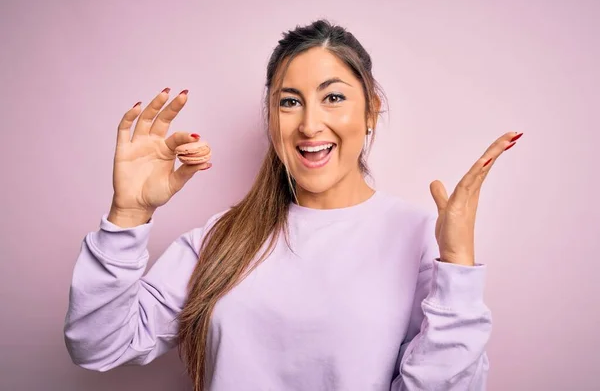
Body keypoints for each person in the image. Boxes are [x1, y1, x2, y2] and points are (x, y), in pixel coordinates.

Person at [64, 20, 522, 391]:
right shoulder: (224, 236)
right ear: (271, 115)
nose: (309, 124)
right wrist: (128, 215)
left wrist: (458, 265)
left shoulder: (420, 236)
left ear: (370, 111)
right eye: (289, 102)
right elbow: (99, 345)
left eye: (334, 97)